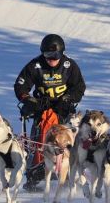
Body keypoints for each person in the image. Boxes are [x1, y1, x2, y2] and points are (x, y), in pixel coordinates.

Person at [14, 34, 86, 191]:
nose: (52, 60)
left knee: (69, 139)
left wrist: (67, 99)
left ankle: (70, 170)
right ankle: (35, 170)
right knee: (39, 137)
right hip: (42, 108)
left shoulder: (69, 66)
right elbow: (20, 87)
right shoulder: (35, 66)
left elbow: (79, 87)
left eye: (55, 56)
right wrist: (31, 101)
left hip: (63, 109)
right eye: (48, 56)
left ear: (62, 53)